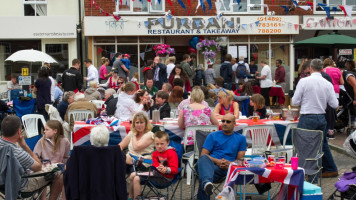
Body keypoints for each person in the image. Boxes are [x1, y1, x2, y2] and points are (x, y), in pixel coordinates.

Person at [292, 58, 339, 178]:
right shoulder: (327, 84)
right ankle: (326, 170)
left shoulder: (304, 81)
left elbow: (295, 101)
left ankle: (308, 174)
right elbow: (334, 104)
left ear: (311, 68)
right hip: (321, 117)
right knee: (321, 144)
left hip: (308, 116)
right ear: (322, 69)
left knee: (304, 145)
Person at [0, 116, 64, 200]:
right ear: (19, 131)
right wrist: (25, 146)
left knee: (43, 171)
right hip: (21, 187)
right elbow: (38, 167)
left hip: (2, 185)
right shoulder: (18, 153)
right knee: (60, 169)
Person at [196, 114, 246, 199]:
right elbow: (203, 154)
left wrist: (229, 164)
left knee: (204, 175)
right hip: (211, 166)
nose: (224, 123)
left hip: (227, 170)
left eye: (228, 121)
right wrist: (217, 162)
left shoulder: (241, 138)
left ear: (234, 124)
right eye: (223, 121)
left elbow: (239, 160)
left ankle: (206, 183)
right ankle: (206, 183)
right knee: (204, 159)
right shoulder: (213, 135)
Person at [128, 131, 178, 200]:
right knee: (132, 175)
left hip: (166, 178)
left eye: (162, 144)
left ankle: (134, 198)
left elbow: (175, 170)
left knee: (136, 178)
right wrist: (158, 168)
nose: (159, 146)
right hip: (156, 174)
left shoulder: (171, 153)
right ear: (154, 144)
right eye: (157, 144)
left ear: (168, 143)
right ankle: (132, 197)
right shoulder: (155, 153)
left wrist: (166, 169)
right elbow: (155, 165)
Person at [34, 120, 70, 200]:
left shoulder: (65, 141)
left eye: (47, 129)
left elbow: (66, 158)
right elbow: (35, 156)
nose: (44, 131)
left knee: (61, 177)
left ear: (55, 131)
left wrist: (63, 165)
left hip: (58, 168)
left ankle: (52, 198)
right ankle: (42, 198)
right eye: (44, 129)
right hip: (45, 168)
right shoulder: (42, 141)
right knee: (40, 175)